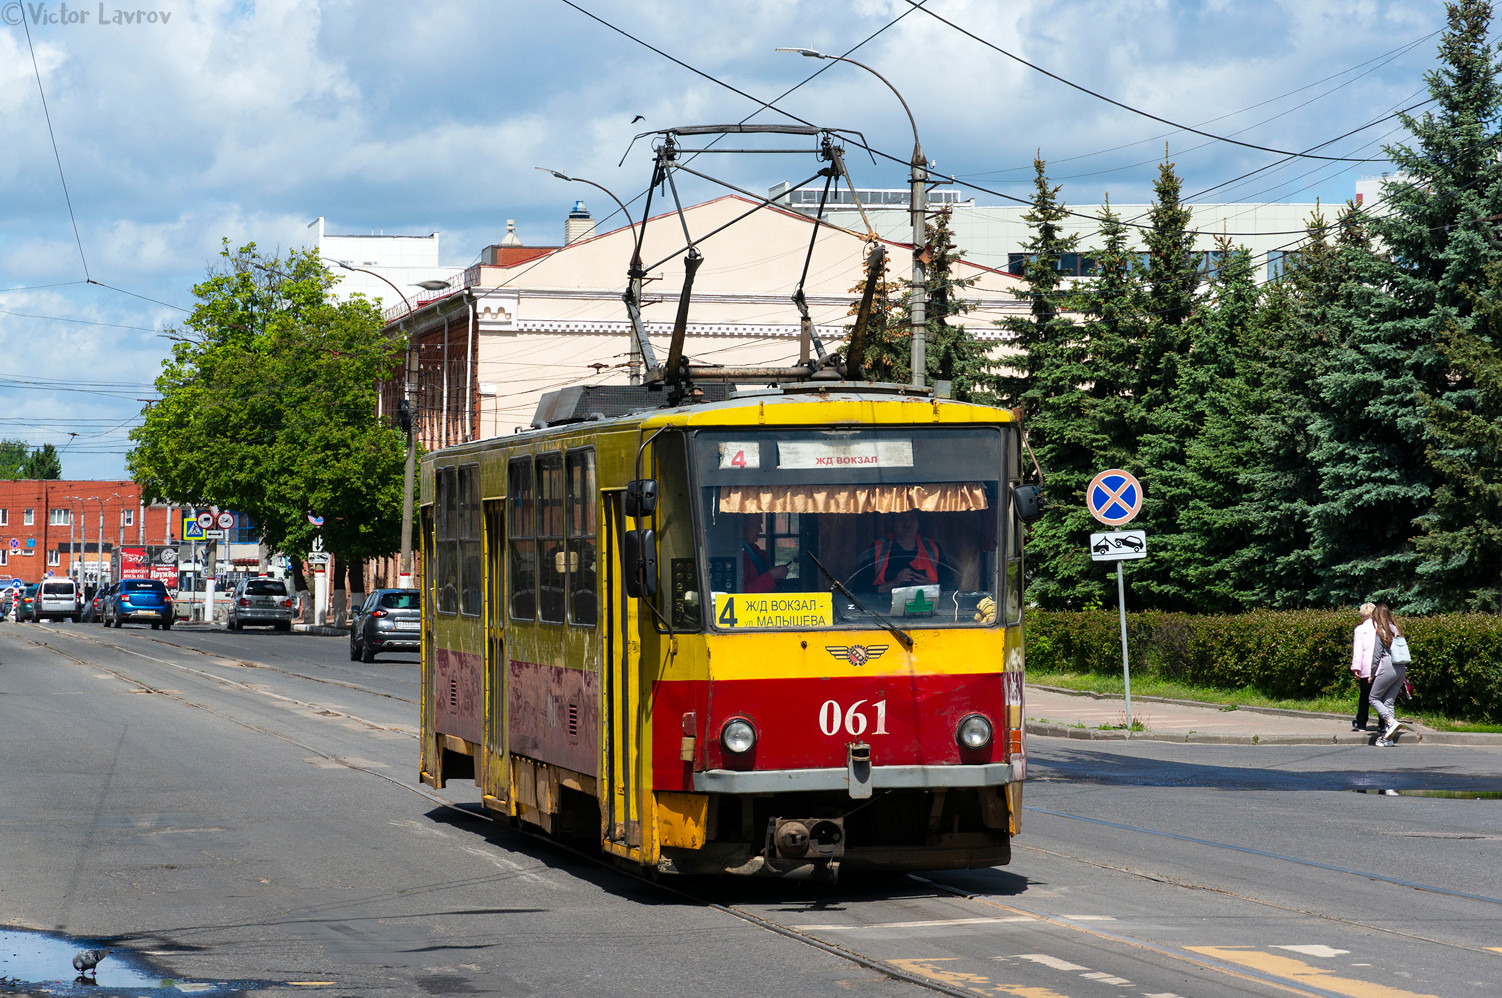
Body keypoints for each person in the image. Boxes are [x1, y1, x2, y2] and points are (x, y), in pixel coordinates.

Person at [858, 509, 948, 595]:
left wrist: (930, 586)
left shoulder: (932, 548)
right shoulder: (879, 549)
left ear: (918, 523)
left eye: (912, 518)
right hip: (883, 609)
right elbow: (860, 591)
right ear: (892, 524)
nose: (907, 523)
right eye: (901, 518)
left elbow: (950, 590)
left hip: (927, 607)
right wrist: (894, 583)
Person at [1368, 604, 1407, 746]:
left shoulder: (1381, 630)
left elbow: (1376, 655)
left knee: (1373, 697)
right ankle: (1388, 738)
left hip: (1388, 665)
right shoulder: (1397, 629)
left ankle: (1391, 722)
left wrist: (1372, 674)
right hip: (1401, 667)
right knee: (1388, 701)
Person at [1349, 602, 1378, 731]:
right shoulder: (1381, 628)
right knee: (1381, 697)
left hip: (1367, 667)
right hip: (1381, 667)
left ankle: (1361, 723)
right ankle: (1383, 725)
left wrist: (1356, 668)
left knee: (1364, 696)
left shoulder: (1360, 630)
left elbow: (1358, 651)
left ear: (1363, 616)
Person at [741, 515, 787, 593]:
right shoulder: (736, 554)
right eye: (757, 525)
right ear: (743, 525)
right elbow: (743, 592)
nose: (761, 530)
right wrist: (771, 576)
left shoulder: (754, 550)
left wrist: (777, 576)